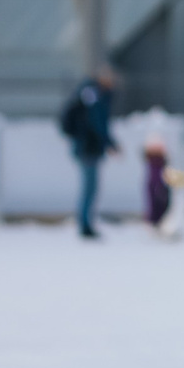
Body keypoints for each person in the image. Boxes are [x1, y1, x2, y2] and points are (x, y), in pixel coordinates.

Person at [58, 66, 119, 239]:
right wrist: (109, 143)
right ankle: (84, 224)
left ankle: (85, 222)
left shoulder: (93, 93)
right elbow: (97, 121)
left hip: (88, 147)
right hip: (87, 147)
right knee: (89, 188)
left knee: (90, 187)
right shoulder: (93, 94)